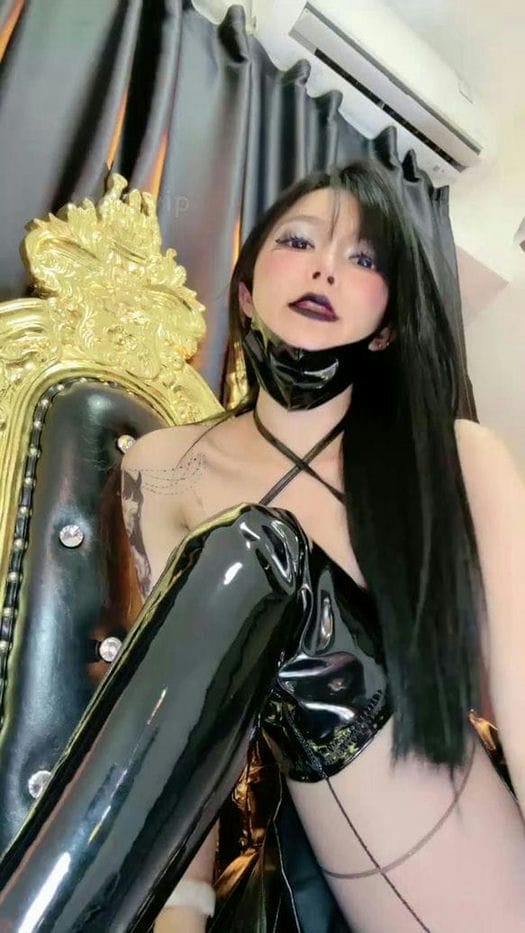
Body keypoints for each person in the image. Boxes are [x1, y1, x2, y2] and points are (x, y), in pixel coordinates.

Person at [0, 161, 523, 933]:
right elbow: (176, 734)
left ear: (386, 325)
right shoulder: (163, 469)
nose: (323, 268)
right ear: (245, 290)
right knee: (245, 557)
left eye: (362, 258)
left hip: (471, 863)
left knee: (258, 552)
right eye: (299, 241)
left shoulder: (454, 457)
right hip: (310, 876)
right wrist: (182, 912)